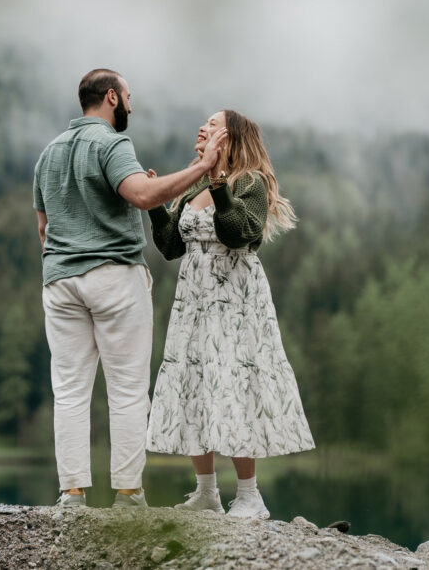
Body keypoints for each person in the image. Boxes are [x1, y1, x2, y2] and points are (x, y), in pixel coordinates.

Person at [33, 69, 228, 508]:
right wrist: (201, 166)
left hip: (59, 282)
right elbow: (141, 194)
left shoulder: (47, 154)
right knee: (126, 389)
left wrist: (66, 261)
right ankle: (127, 493)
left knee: (68, 391)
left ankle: (71, 495)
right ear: (111, 99)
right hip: (113, 276)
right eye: (128, 97)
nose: (132, 106)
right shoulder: (111, 143)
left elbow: (43, 228)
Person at [145, 109, 315, 519]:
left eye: (213, 124)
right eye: (203, 123)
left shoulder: (250, 181)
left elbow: (240, 232)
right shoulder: (194, 184)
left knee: (234, 384)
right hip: (193, 300)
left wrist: (219, 182)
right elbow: (170, 246)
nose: (202, 128)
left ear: (234, 138)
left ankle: (250, 496)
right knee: (194, 383)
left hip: (235, 299)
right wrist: (156, 204)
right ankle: (206, 492)